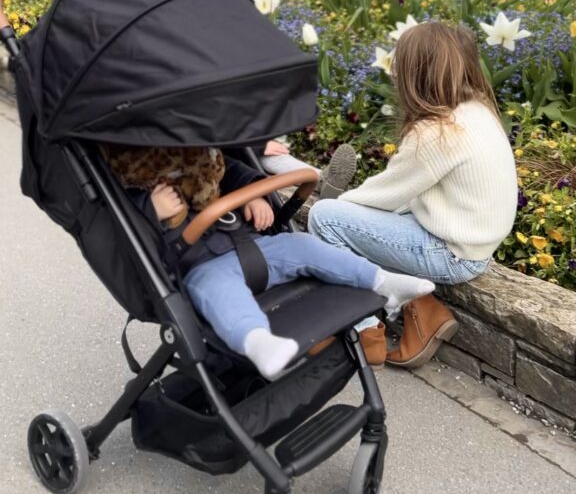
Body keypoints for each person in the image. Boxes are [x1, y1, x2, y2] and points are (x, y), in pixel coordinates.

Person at [104, 144, 434, 380]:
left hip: (253, 243)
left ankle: (382, 283)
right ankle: (258, 342)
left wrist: (255, 194)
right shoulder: (130, 183)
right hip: (198, 266)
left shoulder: (198, 154)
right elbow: (120, 226)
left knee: (303, 245)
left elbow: (230, 169)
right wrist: (149, 207)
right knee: (222, 295)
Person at [308, 21, 518, 368]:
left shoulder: (437, 132)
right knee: (368, 220)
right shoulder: (478, 110)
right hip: (474, 243)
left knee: (326, 220)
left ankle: (363, 330)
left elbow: (384, 195)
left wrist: (333, 205)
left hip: (450, 252)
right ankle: (421, 308)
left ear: (414, 74)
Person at [256, 138, 358, 200]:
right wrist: (259, 145)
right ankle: (323, 181)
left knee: (278, 158)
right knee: (274, 159)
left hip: (252, 140)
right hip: (248, 147)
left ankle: (323, 180)